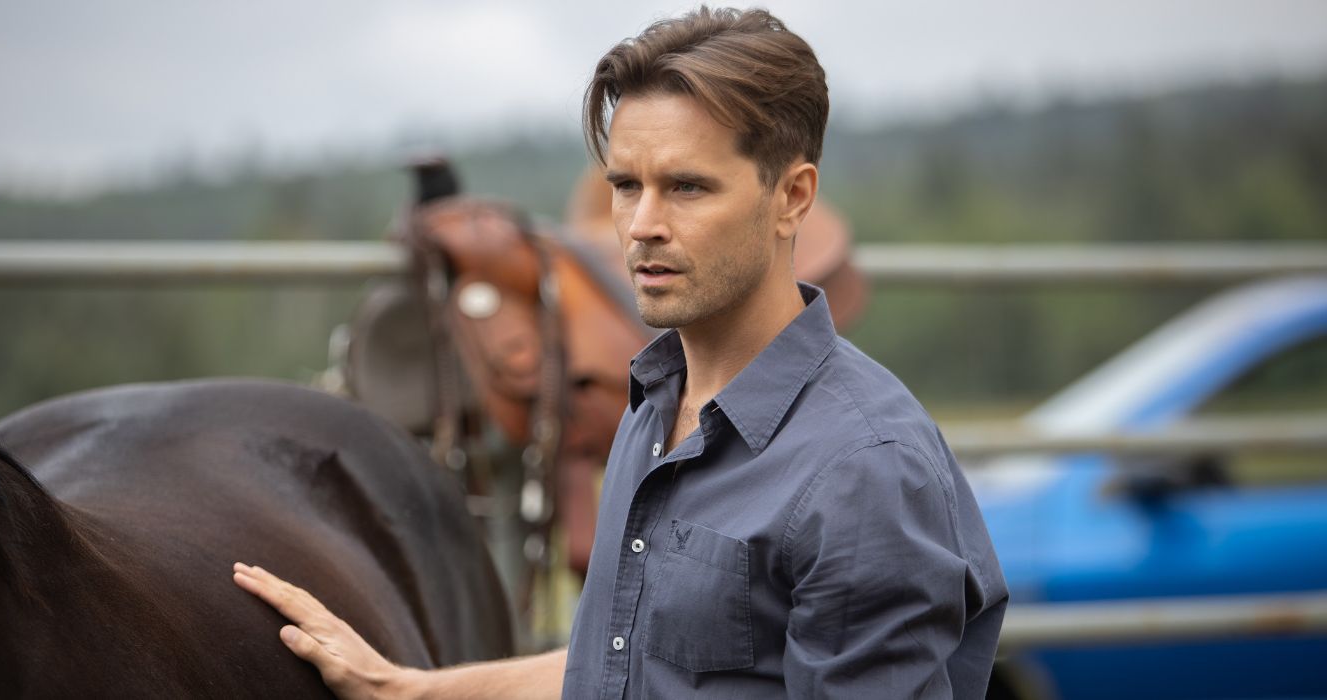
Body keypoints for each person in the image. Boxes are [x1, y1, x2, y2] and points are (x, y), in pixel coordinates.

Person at [233, 6, 1008, 698]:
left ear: (792, 197)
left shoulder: (863, 470)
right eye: (625, 184)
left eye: (688, 187)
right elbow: (620, 665)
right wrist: (405, 690)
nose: (640, 225)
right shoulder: (653, 405)